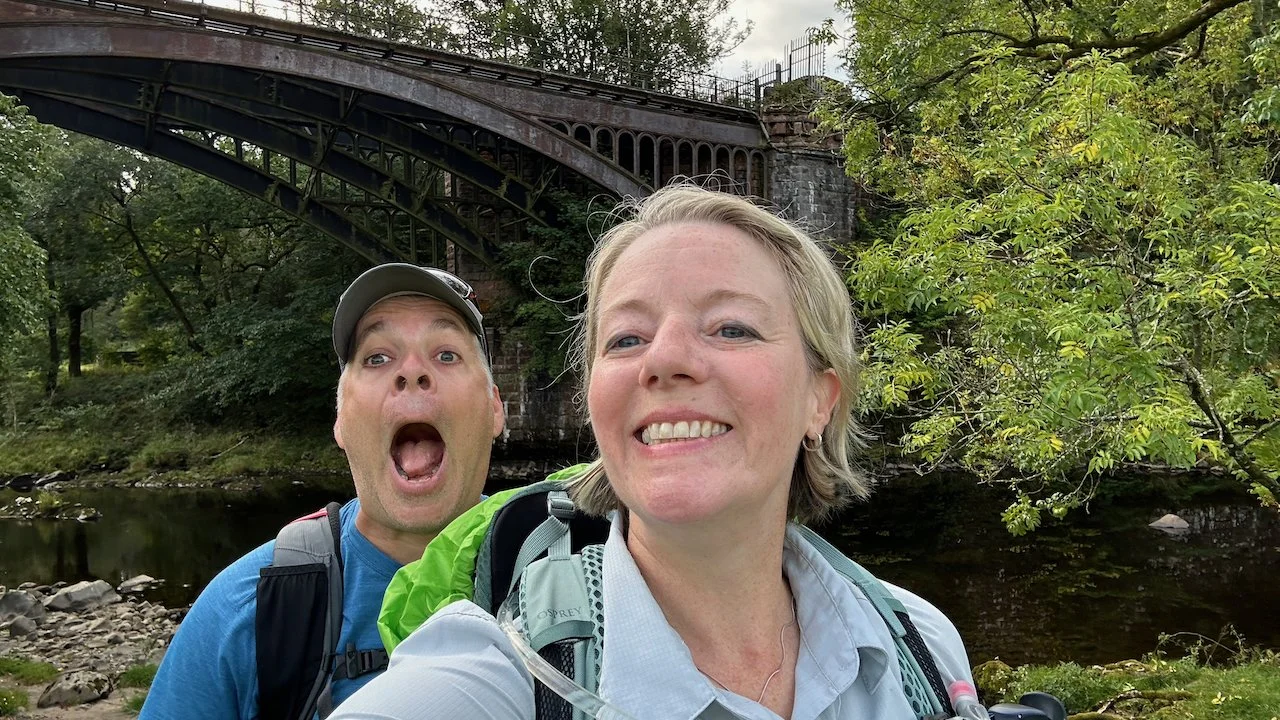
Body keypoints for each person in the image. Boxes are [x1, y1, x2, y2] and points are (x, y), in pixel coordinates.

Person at [332, 184, 975, 720]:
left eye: (732, 327)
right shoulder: (500, 675)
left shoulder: (923, 648)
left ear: (820, 398)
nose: (664, 359)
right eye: (626, 338)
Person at [141, 263, 505, 720]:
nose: (412, 372)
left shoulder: (571, 579)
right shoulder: (248, 609)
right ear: (341, 422)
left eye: (447, 354)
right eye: (377, 357)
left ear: (494, 409)